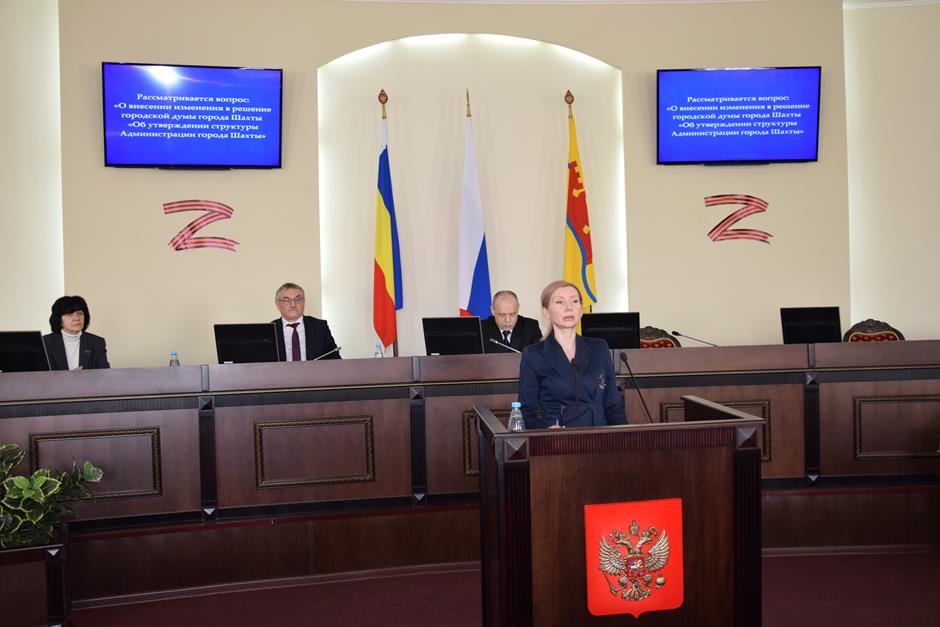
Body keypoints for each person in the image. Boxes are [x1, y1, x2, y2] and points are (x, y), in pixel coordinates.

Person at [517, 280, 626, 428]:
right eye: (559, 302)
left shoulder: (599, 347)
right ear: (546, 312)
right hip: (561, 439)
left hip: (601, 436)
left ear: (581, 310)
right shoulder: (533, 355)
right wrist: (547, 429)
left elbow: (613, 404)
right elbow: (525, 412)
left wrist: (624, 435)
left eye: (574, 301)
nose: (568, 307)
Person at [271, 282, 341, 361]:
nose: (293, 305)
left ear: (304, 302)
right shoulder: (270, 330)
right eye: (287, 300)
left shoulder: (320, 327)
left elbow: (335, 359)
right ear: (277, 304)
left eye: (298, 299)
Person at [42, 295, 110, 370]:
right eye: (70, 314)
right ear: (59, 319)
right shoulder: (44, 343)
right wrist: (69, 375)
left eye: (80, 313)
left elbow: (104, 374)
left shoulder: (96, 342)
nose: (77, 318)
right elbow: (37, 374)